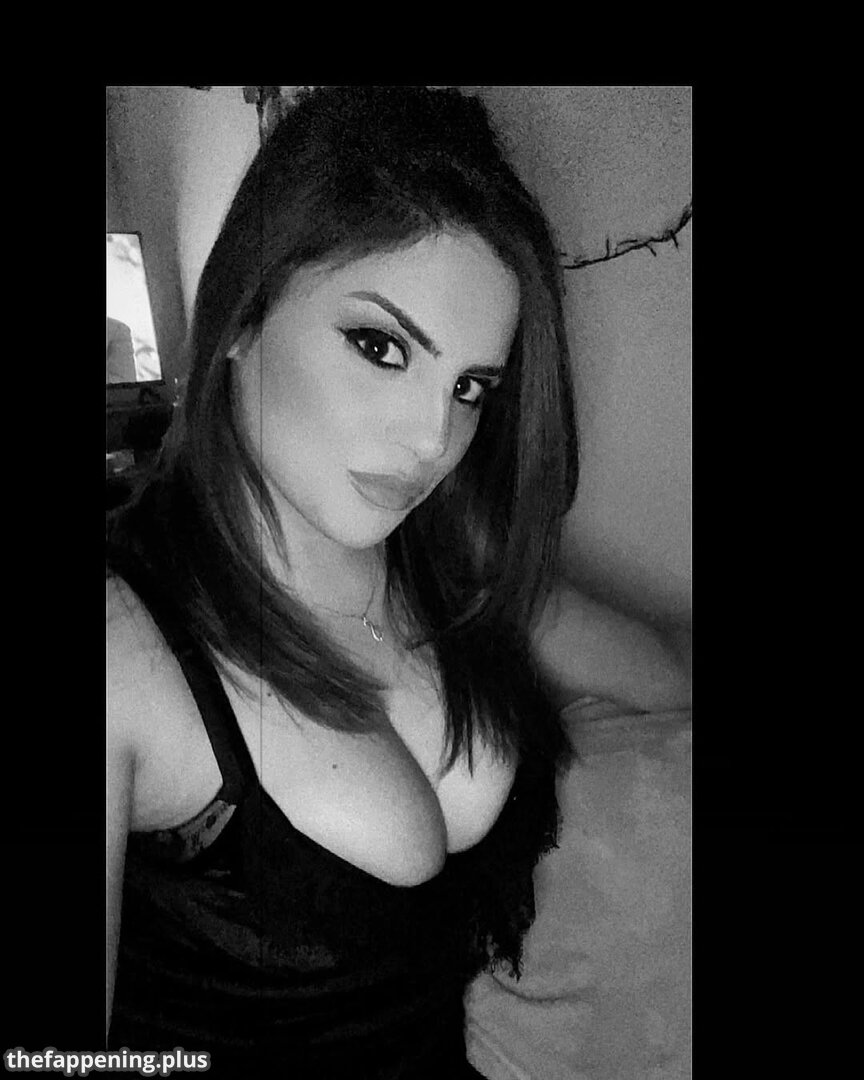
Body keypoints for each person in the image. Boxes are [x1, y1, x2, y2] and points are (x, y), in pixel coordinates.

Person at [106, 85, 690, 1079]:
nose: (433, 439)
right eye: (381, 347)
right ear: (243, 313)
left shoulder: (445, 565)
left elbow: (664, 676)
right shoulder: (127, 642)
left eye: (471, 387)